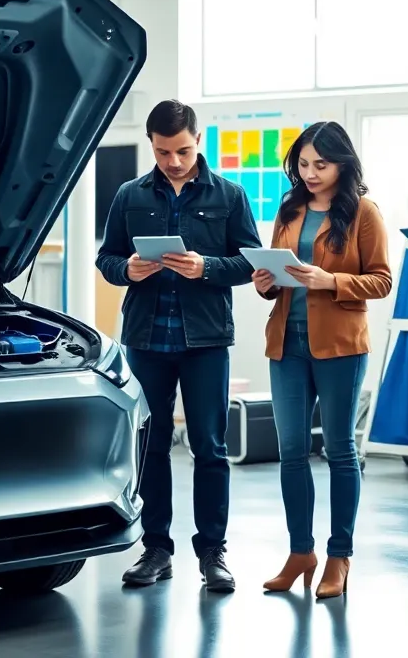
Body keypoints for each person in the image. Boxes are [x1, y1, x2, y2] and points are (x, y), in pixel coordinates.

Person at [95, 99, 262, 592]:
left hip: (205, 340)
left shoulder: (229, 195)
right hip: (147, 338)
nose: (174, 161)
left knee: (211, 447)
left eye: (183, 150)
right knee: (151, 446)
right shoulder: (129, 195)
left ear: (198, 141)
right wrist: (127, 269)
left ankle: (213, 552)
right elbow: (107, 258)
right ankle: (156, 549)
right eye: (165, 151)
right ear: (152, 144)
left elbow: (252, 264)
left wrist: (205, 267)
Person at [251, 122, 392, 599]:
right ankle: (300, 552)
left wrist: (328, 280)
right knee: (291, 451)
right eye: (304, 164)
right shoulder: (289, 208)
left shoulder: (364, 213)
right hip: (286, 343)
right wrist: (266, 280)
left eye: (321, 165)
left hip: (340, 345)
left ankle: (340, 555)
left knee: (338, 450)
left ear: (343, 164)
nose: (310, 173)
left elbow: (381, 280)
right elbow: (272, 270)